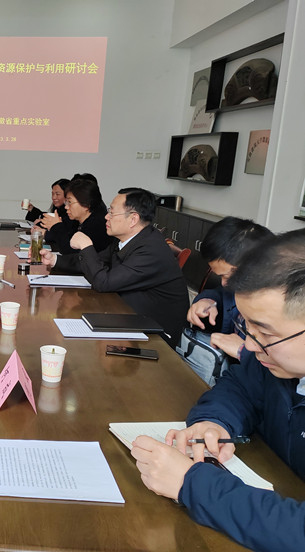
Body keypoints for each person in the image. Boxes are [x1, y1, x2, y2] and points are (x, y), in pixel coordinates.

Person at [131, 229, 305, 552]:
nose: (249, 346)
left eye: (264, 333)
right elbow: (239, 388)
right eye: (247, 328)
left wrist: (192, 484)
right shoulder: (274, 362)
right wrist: (214, 422)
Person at [40, 187, 189, 346]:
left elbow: (104, 282)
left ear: (133, 219)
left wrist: (86, 246)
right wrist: (55, 260)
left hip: (154, 336)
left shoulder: (151, 250)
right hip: (125, 315)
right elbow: (95, 261)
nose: (106, 216)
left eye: (111, 212)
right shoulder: (128, 239)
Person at [187, 217, 273, 360]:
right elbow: (222, 293)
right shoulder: (243, 286)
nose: (224, 283)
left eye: (226, 276)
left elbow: (284, 369)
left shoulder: (284, 309)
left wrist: (242, 352)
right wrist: (208, 301)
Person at [49, 178, 111, 255]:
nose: (66, 207)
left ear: (86, 204)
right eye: (66, 202)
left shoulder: (97, 226)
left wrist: (57, 226)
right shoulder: (78, 222)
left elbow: (72, 254)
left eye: (70, 202)